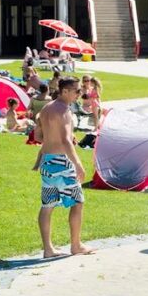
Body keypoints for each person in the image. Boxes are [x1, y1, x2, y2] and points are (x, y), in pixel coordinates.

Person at [33, 76, 93, 257]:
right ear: (65, 91)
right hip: (62, 162)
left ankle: (48, 249)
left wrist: (54, 139)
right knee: (78, 202)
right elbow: (67, 141)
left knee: (47, 204)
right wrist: (79, 164)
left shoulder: (46, 109)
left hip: (48, 160)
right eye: (77, 91)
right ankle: (76, 246)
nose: (79, 94)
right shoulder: (65, 111)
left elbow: (38, 137)